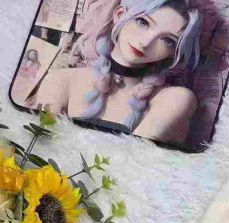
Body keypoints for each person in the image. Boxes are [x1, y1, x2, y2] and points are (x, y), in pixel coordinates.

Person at [36, 0, 201, 143]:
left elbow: (137, 162)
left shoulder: (176, 99)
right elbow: (41, 146)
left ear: (174, 52)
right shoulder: (60, 80)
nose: (145, 42)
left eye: (167, 40)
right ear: (120, 14)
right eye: (143, 22)